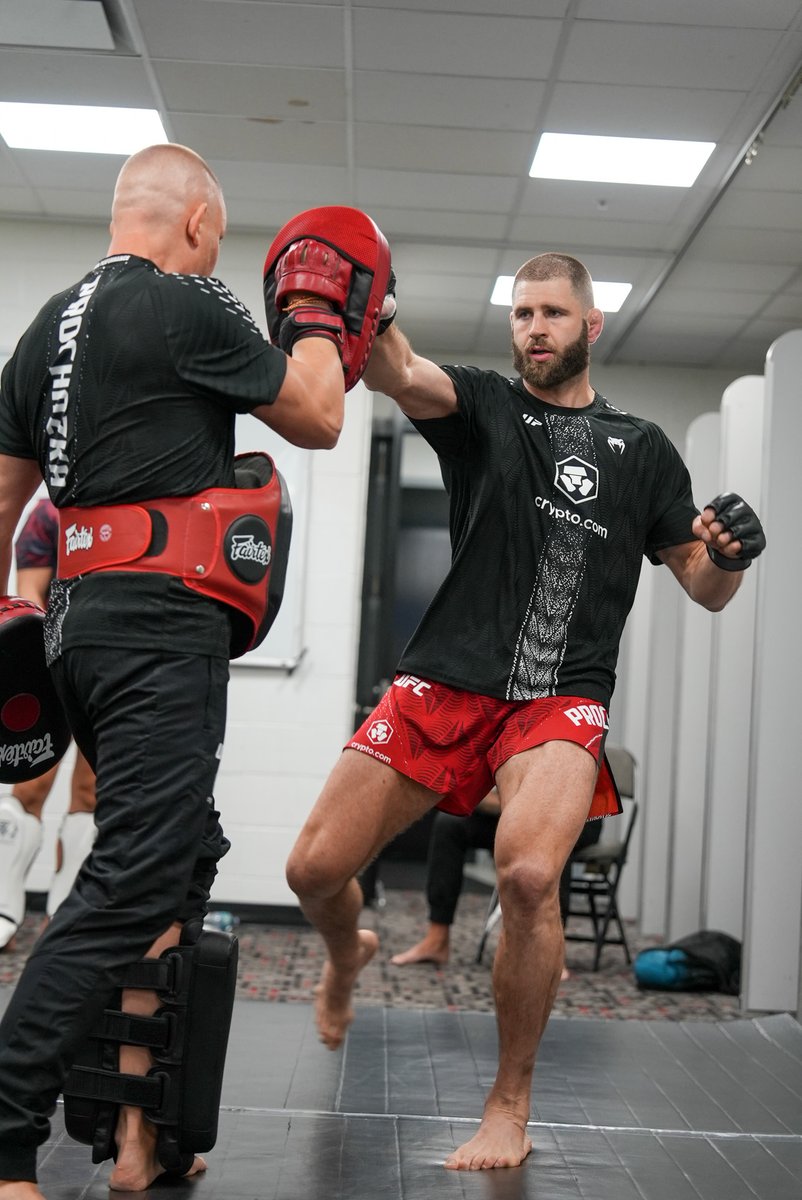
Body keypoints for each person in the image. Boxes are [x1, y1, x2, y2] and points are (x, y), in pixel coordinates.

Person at [285, 251, 766, 1171]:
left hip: (561, 698)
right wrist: (366, 303)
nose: (533, 328)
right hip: (443, 681)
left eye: (551, 312)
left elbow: (702, 587)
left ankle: (509, 1105)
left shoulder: (644, 449)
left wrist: (731, 556)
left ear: (591, 326)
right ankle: (347, 953)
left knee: (529, 878)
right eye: (521, 314)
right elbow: (398, 371)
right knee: (313, 869)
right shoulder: (484, 408)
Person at [0, 143, 347, 1200]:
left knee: (171, 862)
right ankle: (8, 1125)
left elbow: (5, 494)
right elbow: (320, 415)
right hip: (157, 628)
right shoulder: (191, 303)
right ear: (197, 222)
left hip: (82, 625)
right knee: (140, 874)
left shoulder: (43, 328)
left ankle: (136, 1141)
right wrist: (320, 317)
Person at [0, 499, 97, 951]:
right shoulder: (48, 517)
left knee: (91, 797)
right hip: (51, 664)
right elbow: (28, 603)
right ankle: (3, 905)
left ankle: (67, 913)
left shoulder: (137, 505)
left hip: (108, 667)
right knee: (30, 788)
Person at [389, 791, 600, 973]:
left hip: (570, 812)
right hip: (516, 810)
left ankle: (552, 954)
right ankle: (437, 938)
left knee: (554, 837)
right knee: (450, 824)